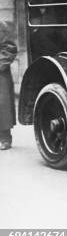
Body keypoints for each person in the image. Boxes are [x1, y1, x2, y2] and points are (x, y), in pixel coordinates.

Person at [0, 20, 17, 150]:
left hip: (0, 73)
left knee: (2, 106)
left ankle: (5, 138)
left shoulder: (1, 26)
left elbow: (9, 48)